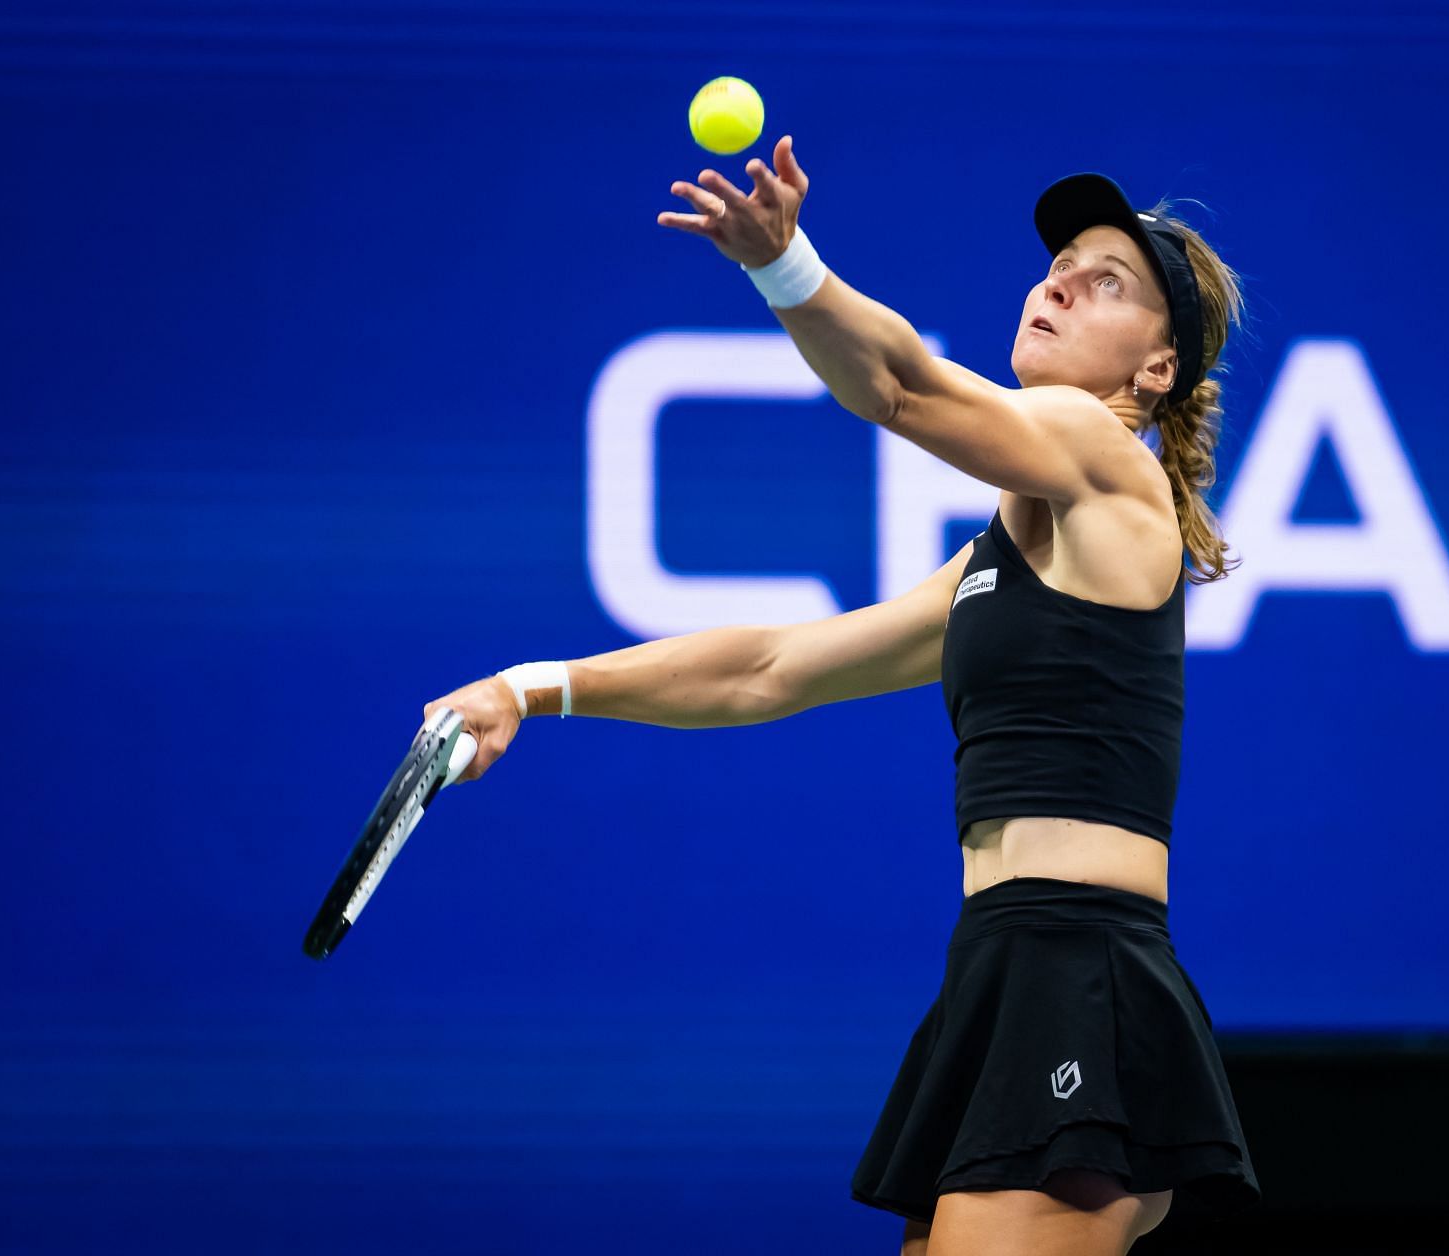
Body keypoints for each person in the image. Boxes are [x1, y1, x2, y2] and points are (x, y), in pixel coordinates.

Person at [424, 136, 1258, 1255]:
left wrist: (784, 264)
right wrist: (535, 686)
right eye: (1059, 260)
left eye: (1105, 280)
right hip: (1001, 965)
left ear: (1155, 372)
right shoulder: (994, 567)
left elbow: (903, 384)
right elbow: (768, 667)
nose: (1058, 280)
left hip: (1081, 971)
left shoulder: (1106, 452)